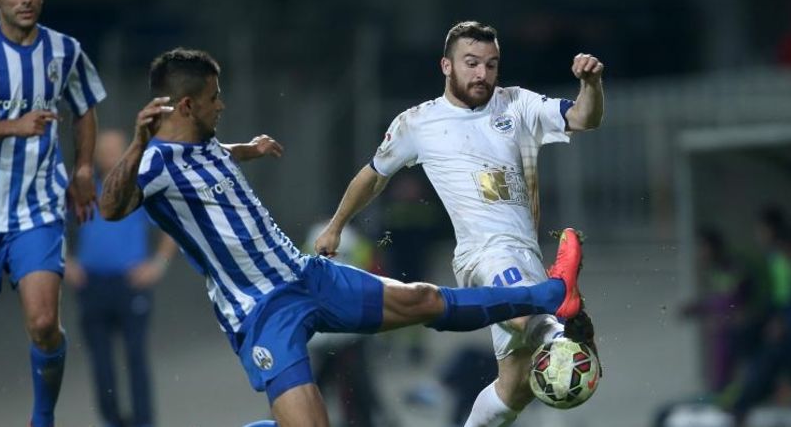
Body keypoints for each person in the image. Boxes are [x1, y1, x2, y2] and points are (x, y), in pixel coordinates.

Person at [98, 48, 585, 427]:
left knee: (423, 300)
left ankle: (550, 293)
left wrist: (251, 148)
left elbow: (222, 152)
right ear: (186, 105)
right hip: (261, 311)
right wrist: (138, 142)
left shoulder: (205, 145)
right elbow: (110, 207)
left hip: (305, 275)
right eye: (213, 98)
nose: (221, 104)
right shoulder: (154, 163)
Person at [314, 21, 605, 427]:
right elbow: (374, 176)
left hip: (526, 253)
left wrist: (591, 83)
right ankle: (558, 325)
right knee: (526, 312)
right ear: (446, 66)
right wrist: (336, 226)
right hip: (483, 253)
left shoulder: (517, 104)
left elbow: (584, 118)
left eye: (491, 64)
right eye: (471, 63)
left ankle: (554, 314)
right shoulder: (418, 123)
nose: (482, 73)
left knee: (515, 388)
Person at [0, 0, 105, 425]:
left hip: (38, 207)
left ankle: (42, 419)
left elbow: (85, 107)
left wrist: (83, 168)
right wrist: (11, 126)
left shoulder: (64, 50)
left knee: (44, 322)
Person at [64, 129, 177, 427]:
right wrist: (67, 263)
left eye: (116, 150)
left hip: (130, 284)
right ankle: (112, 419)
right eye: (104, 151)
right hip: (92, 285)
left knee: (136, 357)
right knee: (101, 362)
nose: (110, 157)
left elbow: (172, 226)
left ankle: (143, 421)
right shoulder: (82, 189)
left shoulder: (139, 187)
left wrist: (158, 265)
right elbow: (53, 225)